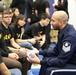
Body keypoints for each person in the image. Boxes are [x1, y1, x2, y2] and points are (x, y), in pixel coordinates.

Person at [26, 11, 76, 75]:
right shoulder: (63, 31)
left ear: (61, 22)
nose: (51, 23)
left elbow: (61, 61)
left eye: (53, 21)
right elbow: (56, 51)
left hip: (73, 64)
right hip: (68, 60)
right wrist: (38, 52)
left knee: (50, 71)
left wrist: (39, 61)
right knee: (45, 61)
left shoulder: (69, 37)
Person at [0, 9, 28, 75]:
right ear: (1, 17)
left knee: (26, 55)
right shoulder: (1, 29)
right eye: (6, 17)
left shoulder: (10, 28)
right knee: (18, 64)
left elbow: (12, 43)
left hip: (7, 49)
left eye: (10, 17)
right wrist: (9, 54)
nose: (9, 19)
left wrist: (20, 48)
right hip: (3, 52)